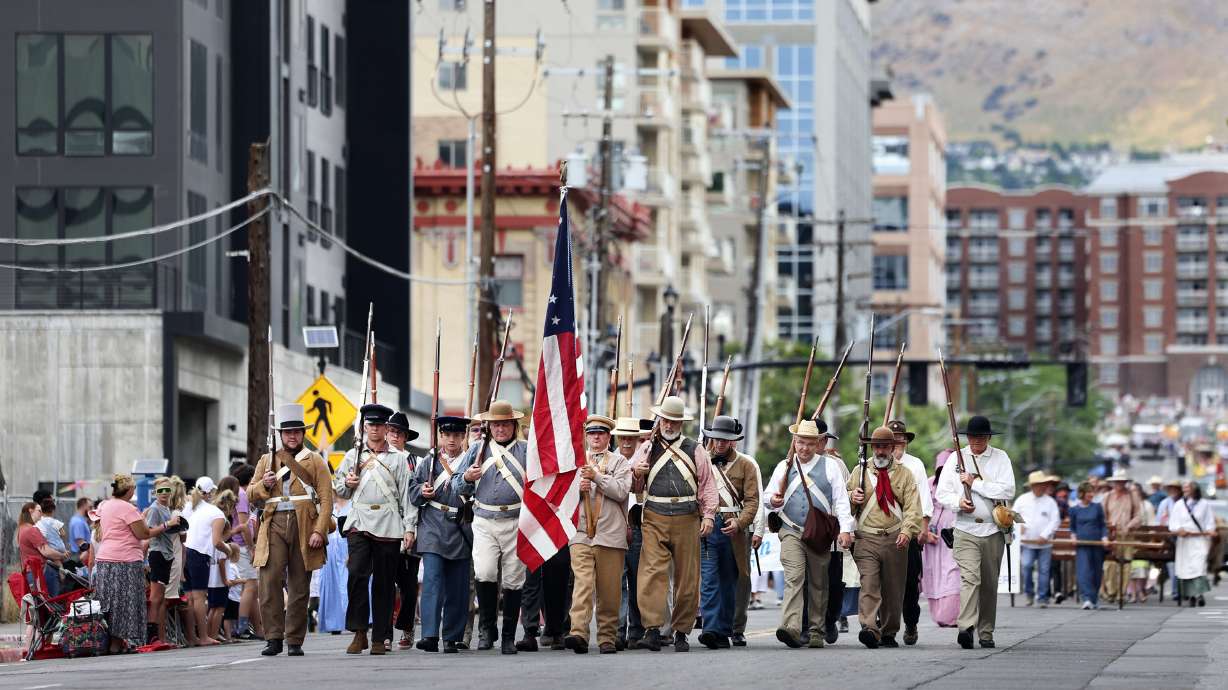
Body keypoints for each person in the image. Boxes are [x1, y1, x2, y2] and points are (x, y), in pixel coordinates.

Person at [629, 395, 718, 653]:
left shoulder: (695, 449)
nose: (669, 425)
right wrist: (638, 473)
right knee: (651, 574)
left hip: (687, 516)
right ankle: (653, 628)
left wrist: (709, 515)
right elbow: (633, 487)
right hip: (654, 514)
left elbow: (707, 485)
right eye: (666, 420)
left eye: (674, 421)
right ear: (661, 420)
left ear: (681, 423)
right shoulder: (645, 448)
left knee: (687, 578)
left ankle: (681, 631)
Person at [249, 403, 335, 656]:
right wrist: (264, 485)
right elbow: (252, 493)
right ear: (280, 435)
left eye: (297, 431)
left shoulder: (315, 460)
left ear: (303, 433)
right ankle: (273, 637)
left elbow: (326, 498)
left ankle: (294, 639)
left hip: (304, 524)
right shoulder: (267, 460)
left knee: (300, 584)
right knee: (269, 581)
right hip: (274, 521)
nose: (292, 436)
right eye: (288, 433)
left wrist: (319, 530)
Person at [764, 419, 853, 649]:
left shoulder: (830, 466)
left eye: (809, 444)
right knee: (794, 577)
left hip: (819, 534)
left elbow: (842, 502)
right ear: (794, 442)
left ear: (817, 444)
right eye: (800, 443)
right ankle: (791, 627)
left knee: (819, 582)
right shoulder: (784, 466)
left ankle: (816, 630)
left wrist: (845, 530)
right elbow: (767, 497)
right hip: (790, 530)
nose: (804, 448)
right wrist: (773, 501)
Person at [335, 403, 415, 657]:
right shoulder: (352, 456)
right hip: (359, 519)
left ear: (385, 428)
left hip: (389, 523)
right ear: (364, 427)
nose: (375, 429)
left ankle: (380, 635)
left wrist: (409, 527)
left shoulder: (399, 460)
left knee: (384, 582)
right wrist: (348, 483)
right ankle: (359, 632)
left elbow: (407, 497)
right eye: (370, 425)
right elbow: (339, 489)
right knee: (357, 573)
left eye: (380, 425)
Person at [454, 399, 530, 655]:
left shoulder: (526, 451)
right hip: (484, 519)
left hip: (516, 520)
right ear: (489, 426)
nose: (500, 429)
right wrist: (467, 477)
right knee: (485, 572)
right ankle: (487, 630)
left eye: (505, 424)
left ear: (513, 425)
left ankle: (508, 635)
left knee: (513, 578)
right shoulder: (477, 449)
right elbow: (456, 486)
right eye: (496, 425)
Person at [935, 415, 1016, 650]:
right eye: (972, 436)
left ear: (988, 437)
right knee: (970, 578)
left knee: (989, 583)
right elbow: (943, 493)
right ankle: (966, 627)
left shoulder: (1000, 458)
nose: (976, 440)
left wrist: (974, 483)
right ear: (966, 437)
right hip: (965, 528)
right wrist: (959, 502)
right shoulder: (955, 458)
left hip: (992, 529)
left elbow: (1008, 489)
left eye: (980, 436)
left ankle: (986, 631)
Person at [848, 426, 923, 649]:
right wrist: (853, 496)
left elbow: (913, 508)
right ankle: (869, 628)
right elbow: (845, 505)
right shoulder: (858, 472)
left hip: (895, 538)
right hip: (867, 538)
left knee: (893, 589)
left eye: (885, 447)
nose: (880, 451)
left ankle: (889, 631)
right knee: (869, 584)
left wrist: (907, 531)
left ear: (892, 448)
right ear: (872, 448)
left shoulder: (905, 474)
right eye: (877, 447)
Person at [563, 414, 632, 655]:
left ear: (608, 436)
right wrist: (576, 488)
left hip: (610, 533)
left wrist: (596, 477)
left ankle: (607, 637)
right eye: (591, 433)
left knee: (609, 589)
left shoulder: (620, 462)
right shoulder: (575, 461)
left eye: (600, 433)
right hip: (581, 533)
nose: (595, 437)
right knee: (582, 584)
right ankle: (579, 632)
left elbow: (622, 491)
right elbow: (562, 496)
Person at [409, 415, 473, 654]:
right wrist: (422, 491)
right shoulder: (429, 462)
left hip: (460, 524)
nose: (452, 439)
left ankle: (452, 636)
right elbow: (413, 492)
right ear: (440, 436)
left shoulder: (471, 461)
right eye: (447, 435)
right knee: (432, 580)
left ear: (463, 437)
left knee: (458, 585)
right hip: (433, 524)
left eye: (457, 435)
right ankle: (429, 634)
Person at [697, 415, 761, 651]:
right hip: (708, 525)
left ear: (733, 441)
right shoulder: (701, 460)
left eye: (725, 439)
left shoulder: (746, 465)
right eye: (716, 439)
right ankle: (711, 629)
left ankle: (725, 630)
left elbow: (753, 501)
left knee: (729, 581)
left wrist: (740, 523)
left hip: (734, 529)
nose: (720, 443)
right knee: (710, 580)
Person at [96, 474, 179, 653]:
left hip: (104, 559)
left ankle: (108, 642)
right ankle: (116, 644)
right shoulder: (127, 508)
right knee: (125, 603)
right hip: (125, 560)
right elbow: (144, 534)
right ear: (130, 490)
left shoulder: (106, 505)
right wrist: (167, 524)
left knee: (108, 603)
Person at [887, 420, 933, 646]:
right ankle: (884, 626)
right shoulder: (872, 464)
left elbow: (924, 498)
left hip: (909, 529)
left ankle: (911, 623)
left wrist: (923, 527)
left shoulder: (915, 465)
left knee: (909, 582)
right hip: (882, 530)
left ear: (906, 441)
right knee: (882, 581)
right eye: (892, 440)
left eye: (900, 439)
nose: (897, 443)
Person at [385, 410, 422, 650]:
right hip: (384, 528)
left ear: (405, 437)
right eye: (390, 432)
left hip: (410, 526)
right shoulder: (377, 458)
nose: (393, 437)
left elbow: (418, 495)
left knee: (408, 587)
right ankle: (384, 633)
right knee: (385, 584)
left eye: (398, 433)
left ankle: (407, 627)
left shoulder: (415, 463)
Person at [612, 416, 649, 650]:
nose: (626, 441)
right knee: (616, 582)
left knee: (637, 581)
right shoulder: (609, 459)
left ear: (637, 438)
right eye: (623, 436)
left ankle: (637, 630)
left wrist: (640, 474)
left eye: (631, 437)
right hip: (613, 525)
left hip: (637, 525)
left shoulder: (646, 458)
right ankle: (617, 631)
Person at [185, 477, 230, 648]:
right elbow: (217, 542)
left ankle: (191, 637)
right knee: (199, 598)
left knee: (189, 598)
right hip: (199, 554)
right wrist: (229, 551)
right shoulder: (215, 513)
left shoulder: (191, 507)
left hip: (186, 552)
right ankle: (203, 636)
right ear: (211, 493)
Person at [922, 450, 960, 627]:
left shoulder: (959, 486)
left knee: (952, 573)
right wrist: (925, 532)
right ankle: (940, 615)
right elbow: (921, 509)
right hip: (932, 542)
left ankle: (953, 615)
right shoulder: (929, 484)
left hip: (952, 539)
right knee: (933, 575)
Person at [1013, 471, 1061, 607]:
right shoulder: (1022, 499)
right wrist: (1019, 525)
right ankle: (1029, 593)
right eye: (1038, 484)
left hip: (1045, 543)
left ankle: (1043, 597)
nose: (1041, 487)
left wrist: (1044, 535)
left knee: (1044, 570)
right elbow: (1013, 515)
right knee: (1026, 566)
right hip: (1027, 542)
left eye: (1043, 484)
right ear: (1032, 486)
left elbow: (1055, 521)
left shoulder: (1050, 502)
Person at [227, 461, 262, 640]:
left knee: (252, 588)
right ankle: (241, 626)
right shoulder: (242, 495)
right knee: (250, 585)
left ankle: (258, 628)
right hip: (241, 544)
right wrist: (251, 546)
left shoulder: (238, 493)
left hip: (238, 544)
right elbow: (243, 524)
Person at [145, 476, 181, 643]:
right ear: (155, 493)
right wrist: (169, 524)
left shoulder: (165, 508)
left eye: (167, 490)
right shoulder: (155, 509)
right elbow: (149, 532)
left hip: (166, 554)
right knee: (156, 598)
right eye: (161, 491)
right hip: (158, 554)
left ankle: (161, 637)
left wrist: (176, 527)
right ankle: (152, 637)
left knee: (161, 598)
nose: (164, 494)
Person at [1100, 470, 1143, 605]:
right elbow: (1102, 516)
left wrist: (1130, 525)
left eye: (1122, 481)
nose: (1119, 484)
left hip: (1127, 535)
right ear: (1113, 483)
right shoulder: (1107, 496)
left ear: (1125, 482)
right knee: (1109, 564)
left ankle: (1121, 593)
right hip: (1111, 534)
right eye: (1117, 482)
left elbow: (1139, 516)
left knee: (1126, 564)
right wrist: (1106, 529)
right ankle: (1111, 591)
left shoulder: (1132, 496)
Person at [1169, 481, 1215, 607]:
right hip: (1184, 541)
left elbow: (1209, 521)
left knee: (1199, 566)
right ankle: (1191, 595)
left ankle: (1199, 594)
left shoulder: (1204, 504)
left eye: (1187, 487)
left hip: (1200, 540)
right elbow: (1173, 524)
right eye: (1184, 488)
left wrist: (1210, 530)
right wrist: (1179, 530)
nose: (1185, 490)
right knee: (1186, 569)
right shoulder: (1179, 505)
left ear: (1195, 489)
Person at [1067, 481, 1107, 609]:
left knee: (1096, 572)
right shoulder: (1074, 509)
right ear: (1082, 493)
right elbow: (1072, 527)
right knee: (1084, 571)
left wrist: (1105, 537)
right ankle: (1087, 598)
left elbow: (1102, 525)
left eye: (1092, 491)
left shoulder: (1097, 507)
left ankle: (1094, 599)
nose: (1091, 494)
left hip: (1097, 543)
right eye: (1089, 492)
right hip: (1082, 544)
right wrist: (1073, 536)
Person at [17, 502, 65, 592]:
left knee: (40, 603)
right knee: (52, 602)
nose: (41, 514)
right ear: (31, 511)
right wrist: (62, 555)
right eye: (39, 511)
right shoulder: (31, 530)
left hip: (31, 572)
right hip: (41, 572)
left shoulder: (22, 528)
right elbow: (46, 552)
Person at [1127, 482, 1156, 603]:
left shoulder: (1147, 505)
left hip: (1142, 539)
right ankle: (1133, 593)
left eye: (1135, 490)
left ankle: (1141, 590)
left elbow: (1151, 524)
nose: (1133, 493)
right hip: (1129, 539)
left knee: (1142, 567)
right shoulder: (1127, 504)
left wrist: (1150, 538)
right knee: (1130, 566)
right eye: (1131, 490)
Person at [1156, 479, 1183, 600]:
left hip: (1182, 535)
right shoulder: (1164, 503)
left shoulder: (1184, 502)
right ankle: (1176, 590)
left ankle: (1180, 589)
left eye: (1175, 488)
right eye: (1170, 488)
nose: (1173, 491)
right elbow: (1159, 522)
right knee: (1172, 564)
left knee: (1181, 564)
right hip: (1168, 536)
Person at [35, 498, 69, 597]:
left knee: (55, 560)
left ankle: (61, 571)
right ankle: (62, 572)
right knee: (58, 560)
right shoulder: (56, 522)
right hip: (59, 547)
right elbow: (63, 534)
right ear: (53, 510)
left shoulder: (39, 523)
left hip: (49, 548)